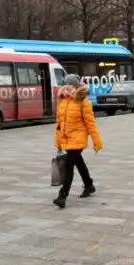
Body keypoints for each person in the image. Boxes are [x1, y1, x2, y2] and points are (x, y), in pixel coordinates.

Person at [53, 74, 102, 209]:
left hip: (79, 137)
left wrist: (96, 141)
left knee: (69, 165)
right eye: (65, 83)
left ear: (76, 85)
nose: (67, 86)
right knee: (78, 161)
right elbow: (59, 122)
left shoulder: (83, 102)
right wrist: (58, 140)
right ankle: (89, 185)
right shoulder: (62, 100)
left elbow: (90, 123)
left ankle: (62, 196)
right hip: (67, 138)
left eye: (69, 84)